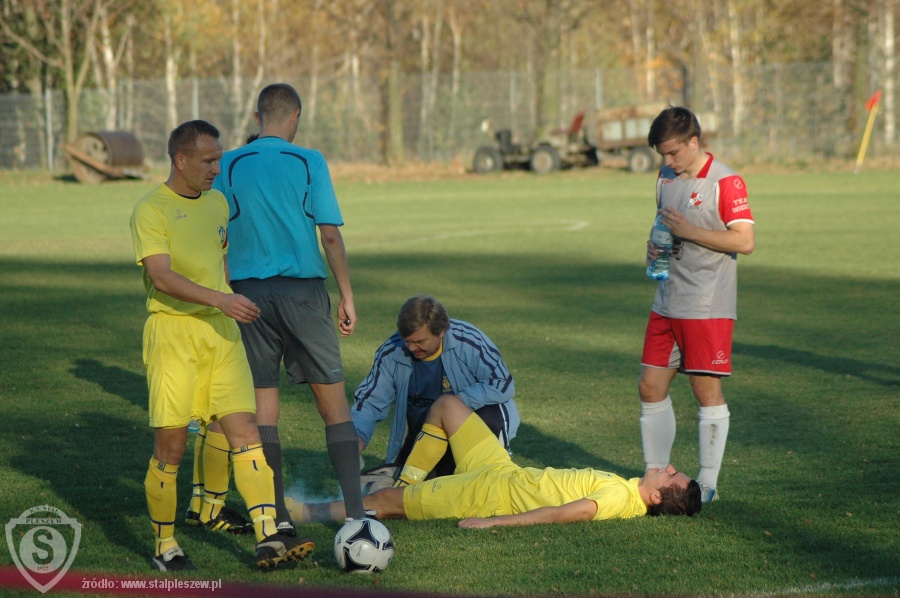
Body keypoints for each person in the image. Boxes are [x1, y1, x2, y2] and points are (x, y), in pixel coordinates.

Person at [129, 119, 314, 571]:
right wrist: (221, 299)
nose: (217, 168)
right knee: (171, 448)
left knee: (245, 431)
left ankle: (269, 538)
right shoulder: (151, 209)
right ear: (181, 160)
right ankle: (165, 545)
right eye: (209, 160)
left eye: (219, 158)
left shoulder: (216, 203)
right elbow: (161, 276)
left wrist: (231, 298)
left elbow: (220, 261)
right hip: (174, 336)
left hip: (222, 336)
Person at [193, 83, 365, 537]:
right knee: (333, 404)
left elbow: (216, 235)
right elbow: (330, 235)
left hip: (247, 297)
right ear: (296, 117)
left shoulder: (229, 163)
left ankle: (277, 517)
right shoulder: (309, 161)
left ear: (256, 118)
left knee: (263, 410)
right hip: (303, 294)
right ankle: (357, 515)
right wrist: (346, 294)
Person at [292, 394, 701, 526]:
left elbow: (563, 513)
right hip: (503, 471)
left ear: (657, 498)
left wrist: (494, 522)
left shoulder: (621, 500)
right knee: (448, 406)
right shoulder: (629, 488)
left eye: (671, 475)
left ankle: (304, 513)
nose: (667, 467)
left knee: (385, 504)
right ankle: (407, 481)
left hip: (488, 495)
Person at [638, 106, 755, 504]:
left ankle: (707, 484)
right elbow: (663, 227)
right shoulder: (665, 177)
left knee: (705, 390)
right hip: (667, 299)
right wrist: (654, 248)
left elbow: (744, 241)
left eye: (673, 152)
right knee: (650, 386)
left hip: (706, 304)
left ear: (693, 142)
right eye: (662, 154)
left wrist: (689, 231)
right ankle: (657, 473)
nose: (668, 160)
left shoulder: (726, 182)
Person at [352, 295, 520, 486]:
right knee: (409, 486)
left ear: (440, 332)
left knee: (490, 416)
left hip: (469, 422)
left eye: (419, 341)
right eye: (407, 341)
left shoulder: (468, 340)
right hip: (424, 430)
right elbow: (370, 402)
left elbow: (502, 382)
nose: (411, 348)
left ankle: (493, 472)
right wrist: (357, 436)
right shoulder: (391, 351)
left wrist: (455, 404)